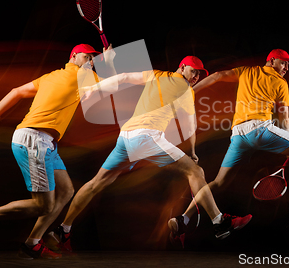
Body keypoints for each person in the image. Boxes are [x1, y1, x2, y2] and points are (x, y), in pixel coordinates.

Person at [49, 55, 252, 252]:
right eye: (193, 71)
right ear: (182, 68)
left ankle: (63, 230)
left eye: (199, 74)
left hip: (126, 137)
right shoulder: (186, 91)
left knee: (96, 183)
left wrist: (95, 87)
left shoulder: (156, 75)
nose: (195, 77)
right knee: (196, 172)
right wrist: (191, 152)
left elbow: (124, 77)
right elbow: (190, 125)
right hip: (146, 137)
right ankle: (219, 222)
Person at [0, 44, 104, 259]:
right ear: (74, 56)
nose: (90, 60)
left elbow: (16, 92)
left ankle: (32, 243)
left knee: (65, 191)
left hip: (45, 142)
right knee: (43, 205)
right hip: (34, 140)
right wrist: (109, 61)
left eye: (93, 57)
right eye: (87, 56)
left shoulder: (51, 77)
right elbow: (114, 87)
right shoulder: (81, 76)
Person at [175, 49, 289, 238]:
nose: (286, 68)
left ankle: (183, 219)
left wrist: (191, 91)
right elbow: (284, 121)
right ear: (272, 60)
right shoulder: (280, 82)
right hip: (260, 130)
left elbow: (218, 76)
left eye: (288, 65)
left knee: (218, 182)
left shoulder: (247, 71)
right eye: (283, 63)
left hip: (238, 135)